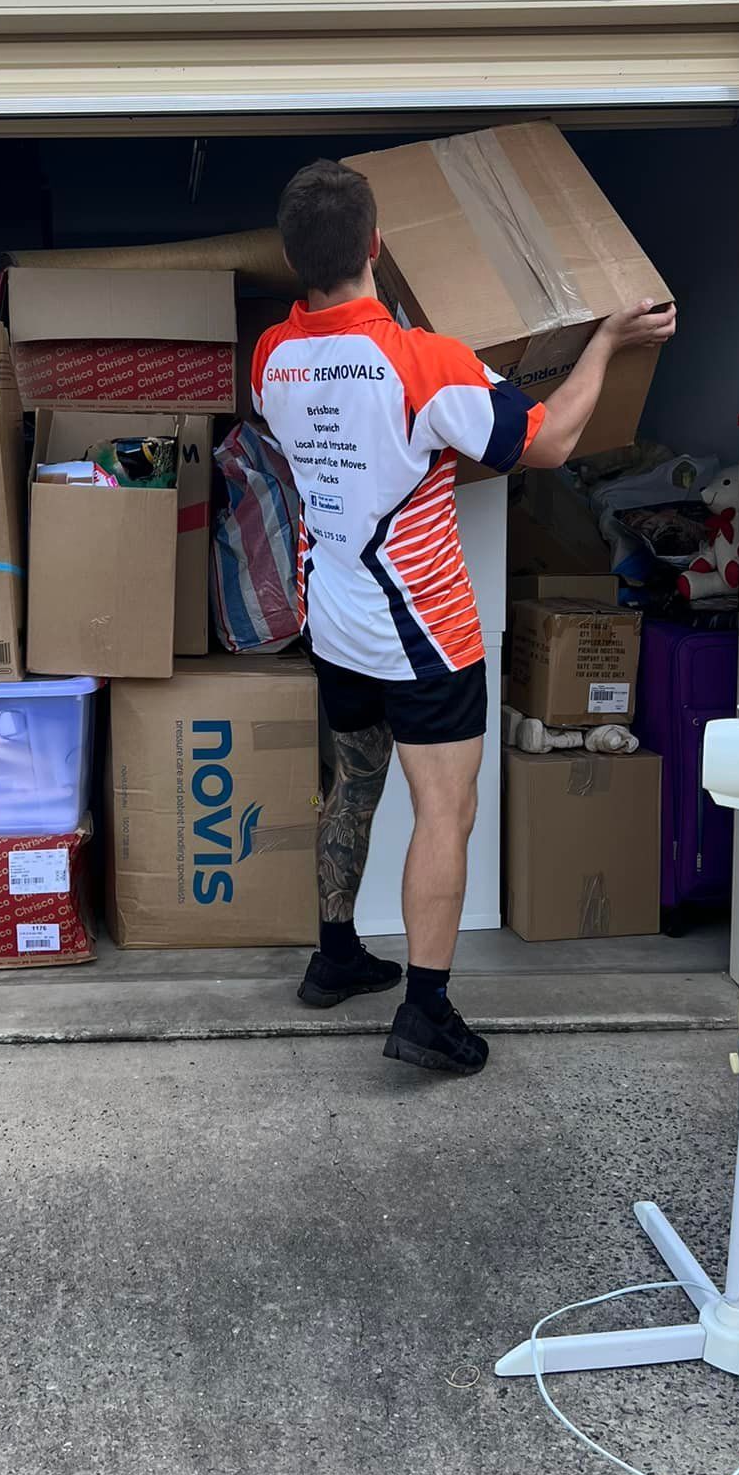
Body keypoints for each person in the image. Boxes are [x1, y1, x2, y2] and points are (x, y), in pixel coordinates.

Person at [251, 158, 676, 1076]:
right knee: (445, 812)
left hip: (333, 623)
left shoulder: (271, 358)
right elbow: (552, 442)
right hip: (423, 637)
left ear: (293, 262)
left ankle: (335, 958)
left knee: (354, 783)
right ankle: (427, 1012)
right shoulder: (426, 364)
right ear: (376, 246)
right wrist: (604, 341)